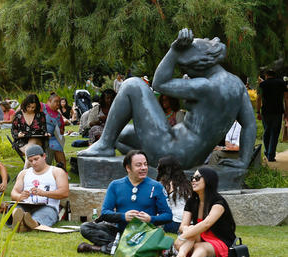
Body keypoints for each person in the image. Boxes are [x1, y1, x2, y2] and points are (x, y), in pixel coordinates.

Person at [81, 28, 257, 171]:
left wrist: (174, 51)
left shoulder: (206, 86)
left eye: (185, 67)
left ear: (200, 63)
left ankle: (105, 145)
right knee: (119, 135)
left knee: (132, 85)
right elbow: (249, 124)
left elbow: (159, 83)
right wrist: (243, 161)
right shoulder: (237, 85)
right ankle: (142, 162)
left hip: (171, 151)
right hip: (189, 157)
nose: (185, 74)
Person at [78, 150, 172, 254]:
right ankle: (124, 247)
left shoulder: (156, 186)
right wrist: (123, 216)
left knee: (148, 241)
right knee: (86, 227)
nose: (144, 168)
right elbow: (105, 213)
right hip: (120, 232)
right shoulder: (115, 185)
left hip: (144, 235)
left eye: (145, 164)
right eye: (138, 165)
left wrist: (150, 219)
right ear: (128, 168)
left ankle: (101, 249)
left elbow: (168, 216)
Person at [168, 167, 236, 257]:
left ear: (209, 180)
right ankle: (181, 256)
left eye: (198, 178)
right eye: (192, 178)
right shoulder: (192, 201)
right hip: (200, 237)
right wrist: (186, 231)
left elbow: (206, 224)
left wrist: (183, 237)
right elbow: (182, 226)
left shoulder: (218, 202)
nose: (193, 180)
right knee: (191, 228)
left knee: (199, 246)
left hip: (220, 241)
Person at [10, 145, 69, 231]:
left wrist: (44, 193)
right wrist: (19, 196)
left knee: (46, 213)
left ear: (44, 156)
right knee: (16, 208)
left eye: (36, 159)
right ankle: (24, 222)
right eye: (30, 161)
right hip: (26, 205)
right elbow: (13, 193)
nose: (33, 163)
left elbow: (64, 193)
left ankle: (28, 223)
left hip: (48, 206)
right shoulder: (24, 173)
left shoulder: (57, 171)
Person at [257, 70, 288, 162]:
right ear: (275, 75)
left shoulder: (262, 84)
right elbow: (286, 98)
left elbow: (258, 99)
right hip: (278, 111)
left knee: (267, 131)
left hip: (266, 112)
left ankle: (267, 152)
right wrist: (287, 111)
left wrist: (258, 112)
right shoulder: (281, 83)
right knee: (275, 133)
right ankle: (271, 155)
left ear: (266, 76)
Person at [156, 156, 192, 234]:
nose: (156, 168)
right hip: (187, 221)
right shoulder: (187, 184)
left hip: (173, 222)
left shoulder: (164, 185)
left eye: (158, 166)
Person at [11, 94, 47, 165]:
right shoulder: (19, 115)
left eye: (33, 107)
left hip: (37, 139)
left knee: (32, 141)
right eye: (28, 107)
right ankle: (30, 171)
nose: (30, 109)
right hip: (21, 141)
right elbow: (14, 129)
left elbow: (43, 129)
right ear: (25, 105)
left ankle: (24, 172)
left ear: (36, 106)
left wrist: (45, 133)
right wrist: (18, 134)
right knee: (31, 152)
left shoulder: (40, 115)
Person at [43, 93, 67, 170]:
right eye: (56, 101)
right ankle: (44, 169)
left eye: (59, 101)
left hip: (52, 137)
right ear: (49, 101)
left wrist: (60, 130)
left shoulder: (59, 116)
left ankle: (63, 170)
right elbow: (27, 103)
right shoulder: (42, 107)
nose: (58, 103)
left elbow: (62, 131)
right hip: (39, 135)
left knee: (58, 146)